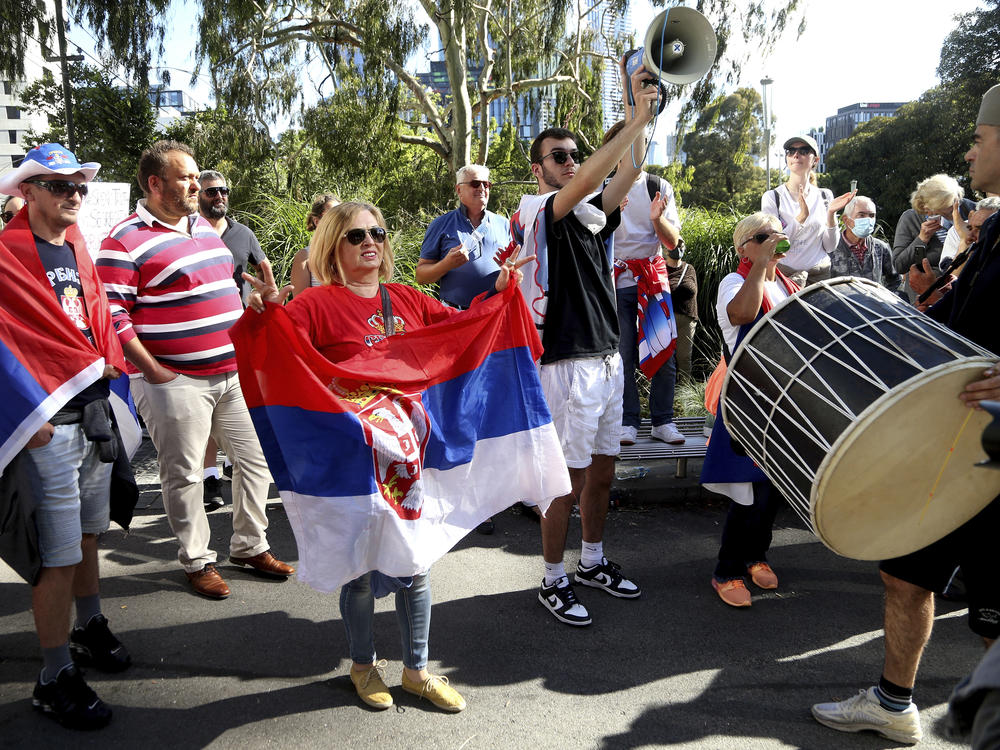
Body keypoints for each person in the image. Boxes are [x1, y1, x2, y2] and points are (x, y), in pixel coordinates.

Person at [245, 201, 531, 713]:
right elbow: (279, 352)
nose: (369, 242)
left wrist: (501, 293)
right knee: (359, 567)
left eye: (377, 232)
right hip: (353, 465)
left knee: (415, 565)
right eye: (355, 236)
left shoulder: (405, 298)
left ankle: (417, 671)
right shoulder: (315, 304)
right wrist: (263, 313)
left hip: (409, 462)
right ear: (333, 245)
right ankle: (362, 666)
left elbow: (462, 330)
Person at [811, 82, 1000, 747]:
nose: (971, 151)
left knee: (992, 617)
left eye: (980, 139)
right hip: (950, 440)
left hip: (997, 454)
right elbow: (959, 318)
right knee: (905, 571)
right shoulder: (995, 229)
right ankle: (894, 703)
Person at [96, 140, 294, 599]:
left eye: (196, 175)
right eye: (186, 177)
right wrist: (154, 371)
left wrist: (263, 305)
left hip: (231, 373)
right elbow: (113, 316)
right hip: (173, 380)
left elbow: (223, 297)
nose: (196, 183)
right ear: (155, 183)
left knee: (255, 459)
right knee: (183, 474)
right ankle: (197, 560)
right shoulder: (122, 240)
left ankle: (249, 545)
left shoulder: (202, 226)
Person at [510, 62, 659, 627]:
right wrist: (631, 118)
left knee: (602, 471)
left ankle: (592, 560)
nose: (571, 163)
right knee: (564, 481)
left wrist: (639, 118)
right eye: (560, 157)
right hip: (566, 364)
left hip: (606, 360)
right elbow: (591, 178)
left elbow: (625, 171)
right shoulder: (535, 211)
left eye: (575, 155)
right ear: (538, 169)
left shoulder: (594, 215)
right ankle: (553, 576)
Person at [0, 143, 131, 729]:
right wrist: (22, 419)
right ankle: (53, 675)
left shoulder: (77, 245)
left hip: (92, 409)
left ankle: (89, 625)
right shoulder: (5, 255)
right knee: (55, 558)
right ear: (26, 192)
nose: (73, 194)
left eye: (78, 185)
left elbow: (95, 317)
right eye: (58, 185)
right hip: (45, 423)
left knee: (86, 536)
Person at [700, 212, 795, 608]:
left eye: (777, 233)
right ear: (744, 247)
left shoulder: (788, 285)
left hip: (783, 400)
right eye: (763, 235)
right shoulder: (734, 281)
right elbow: (741, 316)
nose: (773, 239)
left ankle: (757, 556)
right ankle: (727, 571)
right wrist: (760, 267)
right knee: (748, 489)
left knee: (773, 491)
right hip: (748, 400)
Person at [600, 120, 685, 447]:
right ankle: (627, 420)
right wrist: (610, 215)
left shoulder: (658, 186)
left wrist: (656, 218)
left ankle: (663, 420)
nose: (638, 148)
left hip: (651, 276)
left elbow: (672, 241)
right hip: (615, 279)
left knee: (663, 348)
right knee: (621, 354)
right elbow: (592, 238)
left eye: (643, 141)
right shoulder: (603, 187)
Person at [197, 169, 268, 510]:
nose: (219, 196)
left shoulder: (243, 234)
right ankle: (209, 476)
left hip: (240, 332)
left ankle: (230, 466)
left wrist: (265, 297)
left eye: (223, 190)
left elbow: (264, 272)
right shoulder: (190, 233)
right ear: (198, 195)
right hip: (202, 335)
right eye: (211, 192)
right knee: (210, 411)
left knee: (239, 405)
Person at [416, 164, 512, 309]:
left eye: (486, 184)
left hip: (496, 313)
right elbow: (421, 277)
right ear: (459, 189)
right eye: (475, 183)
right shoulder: (440, 224)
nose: (482, 188)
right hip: (456, 315)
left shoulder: (505, 224)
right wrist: (446, 264)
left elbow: (517, 270)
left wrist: (510, 269)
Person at [762, 135, 852, 287]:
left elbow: (830, 246)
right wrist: (801, 218)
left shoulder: (825, 195)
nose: (796, 155)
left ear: (815, 160)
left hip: (819, 276)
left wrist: (830, 214)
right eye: (791, 151)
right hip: (783, 277)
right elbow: (774, 246)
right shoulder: (773, 197)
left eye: (803, 150)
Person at [892, 173, 969, 299]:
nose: (928, 214)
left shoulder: (974, 211)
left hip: (963, 295)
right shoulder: (911, 218)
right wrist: (921, 240)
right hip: (922, 298)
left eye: (931, 209)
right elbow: (899, 266)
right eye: (924, 210)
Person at [824, 195, 903, 293]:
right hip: (840, 306)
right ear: (846, 220)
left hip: (873, 305)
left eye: (871, 215)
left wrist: (886, 300)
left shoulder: (880, 248)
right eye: (861, 215)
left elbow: (895, 280)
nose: (868, 220)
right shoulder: (831, 247)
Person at [290, 193, 340, 296]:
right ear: (317, 221)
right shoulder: (304, 257)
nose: (337, 220)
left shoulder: (352, 251)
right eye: (331, 215)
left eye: (340, 215)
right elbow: (300, 305)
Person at [666, 240, 699, 380]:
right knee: (665, 358)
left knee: (684, 357)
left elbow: (693, 291)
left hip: (686, 319)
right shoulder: (660, 268)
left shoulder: (689, 268)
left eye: (680, 246)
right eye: (674, 245)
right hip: (664, 320)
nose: (677, 248)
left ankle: (684, 395)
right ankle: (666, 390)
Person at [940, 196, 1000, 271]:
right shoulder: (959, 230)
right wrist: (964, 242)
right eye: (970, 228)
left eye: (980, 229)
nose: (969, 236)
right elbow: (950, 276)